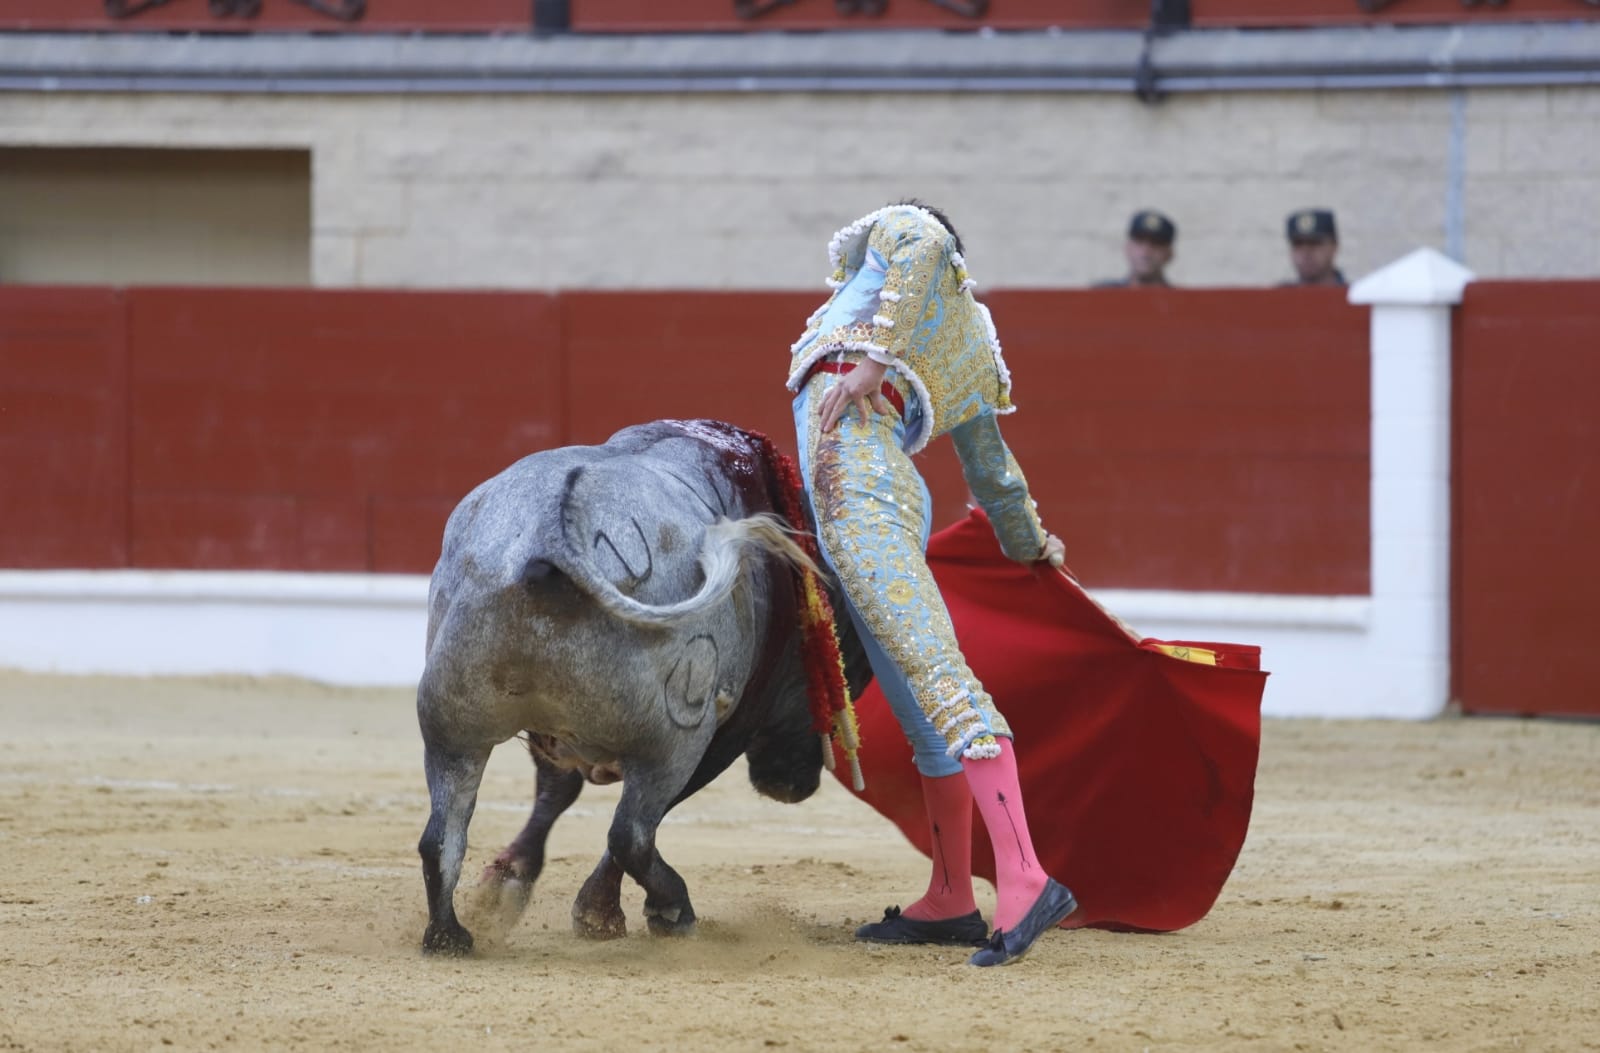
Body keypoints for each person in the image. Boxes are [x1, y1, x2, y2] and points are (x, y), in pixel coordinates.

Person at [785, 201, 1077, 967]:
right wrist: (1030, 543)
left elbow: (922, 237)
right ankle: (951, 895)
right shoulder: (970, 338)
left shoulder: (908, 233)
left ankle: (1022, 877)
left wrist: (874, 362)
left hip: (862, 485)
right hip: (877, 490)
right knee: (923, 712)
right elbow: (992, 470)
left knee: (942, 681)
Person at [1095, 209, 1177, 288]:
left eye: (1156, 244)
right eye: (1139, 242)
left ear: (1169, 253)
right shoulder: (1101, 295)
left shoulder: (1180, 299)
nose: (1146, 252)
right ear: (1128, 247)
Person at [1284, 208, 1346, 286]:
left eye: (1314, 243)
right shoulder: (1278, 296)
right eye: (1298, 244)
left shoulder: (1355, 295)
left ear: (1334, 247)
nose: (1306, 252)